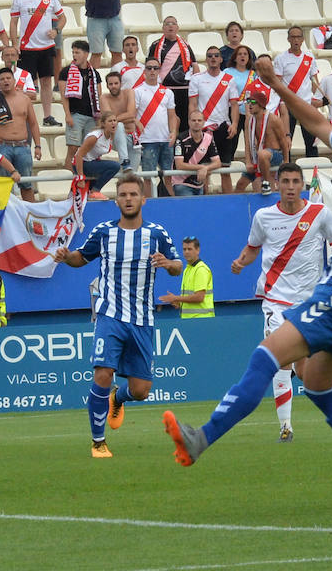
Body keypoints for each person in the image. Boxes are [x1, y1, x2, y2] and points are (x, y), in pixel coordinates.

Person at [161, 57, 332, 510]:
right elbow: (317, 121)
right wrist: (276, 84)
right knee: (319, 384)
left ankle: (202, 438)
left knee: (266, 356)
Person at [54, 172, 182, 458]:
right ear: (116, 200)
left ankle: (118, 397)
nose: (128, 199)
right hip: (110, 314)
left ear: (143, 199)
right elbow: (80, 258)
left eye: (133, 194)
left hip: (142, 319)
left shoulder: (156, 233)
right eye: (123, 194)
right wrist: (66, 256)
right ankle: (98, 442)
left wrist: (167, 263)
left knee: (141, 390)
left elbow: (177, 266)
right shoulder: (103, 232)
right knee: (102, 374)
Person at [230, 162, 332, 442]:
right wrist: (242, 261)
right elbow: (252, 248)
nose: (290, 187)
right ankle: (286, 427)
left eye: (295, 181)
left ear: (302, 185)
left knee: (305, 372)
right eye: (285, 181)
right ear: (277, 184)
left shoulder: (320, 213)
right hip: (275, 299)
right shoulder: (264, 217)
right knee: (281, 361)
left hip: (309, 303)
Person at [11, 0, 65, 128]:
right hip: (26, 47)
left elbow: (62, 18)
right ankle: (23, 115)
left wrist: (56, 31)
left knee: (46, 82)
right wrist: (15, 44)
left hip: (46, 47)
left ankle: (47, 116)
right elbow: (13, 23)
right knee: (23, 84)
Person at [0, 68, 43, 202]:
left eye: (8, 78)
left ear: (14, 80)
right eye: (2, 79)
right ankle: (5, 218)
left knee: (26, 185)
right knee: (3, 185)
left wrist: (38, 145)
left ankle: (29, 217)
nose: (6, 81)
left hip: (22, 146)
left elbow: (33, 124)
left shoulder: (25, 99)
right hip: (1, 147)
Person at [188, 45, 240, 194]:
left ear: (221, 59)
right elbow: (192, 104)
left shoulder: (229, 79)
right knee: (203, 169)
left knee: (225, 168)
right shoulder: (196, 79)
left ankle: (229, 201)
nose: (213, 58)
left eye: (216, 55)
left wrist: (235, 124)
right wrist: (193, 126)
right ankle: (204, 200)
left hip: (223, 127)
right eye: (210, 55)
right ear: (206, 59)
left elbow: (234, 105)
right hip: (203, 129)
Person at [273, 26, 320, 159]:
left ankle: (313, 170)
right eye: (293, 37)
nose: (296, 40)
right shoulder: (281, 58)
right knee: (286, 140)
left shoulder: (310, 57)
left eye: (298, 37)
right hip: (288, 105)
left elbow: (315, 81)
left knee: (311, 141)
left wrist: (316, 100)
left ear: (303, 39)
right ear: (288, 39)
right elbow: (277, 83)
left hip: (306, 104)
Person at [134, 57, 178, 198]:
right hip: (147, 140)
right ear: (145, 71)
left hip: (166, 139)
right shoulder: (137, 91)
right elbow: (132, 115)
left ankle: (170, 203)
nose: (152, 71)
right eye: (149, 68)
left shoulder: (168, 92)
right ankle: (149, 203)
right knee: (148, 177)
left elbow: (172, 116)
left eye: (155, 68)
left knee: (169, 176)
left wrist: (173, 132)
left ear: (159, 71)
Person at [58, 40, 103, 171]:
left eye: (77, 52)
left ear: (86, 54)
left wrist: (99, 117)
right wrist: (67, 115)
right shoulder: (66, 72)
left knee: (89, 149)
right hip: (75, 114)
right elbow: (64, 96)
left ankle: (84, 176)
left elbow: (98, 96)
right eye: (73, 52)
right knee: (72, 148)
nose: (74, 55)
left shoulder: (94, 73)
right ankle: (69, 177)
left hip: (91, 115)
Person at [149, 17, 197, 134]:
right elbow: (150, 65)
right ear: (163, 28)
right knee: (166, 123)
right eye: (167, 24)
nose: (170, 26)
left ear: (177, 27)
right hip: (164, 90)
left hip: (184, 91)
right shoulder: (156, 45)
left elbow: (194, 65)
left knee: (184, 123)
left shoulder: (186, 46)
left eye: (173, 24)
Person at [239, 88, 288, 194]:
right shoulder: (249, 120)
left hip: (274, 154)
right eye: (248, 102)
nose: (249, 105)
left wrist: (286, 161)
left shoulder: (273, 119)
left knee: (262, 154)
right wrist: (248, 161)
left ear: (261, 105)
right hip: (258, 156)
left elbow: (283, 141)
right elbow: (247, 143)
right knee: (240, 185)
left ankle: (266, 182)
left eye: (253, 102)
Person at [168, 110, 222, 196]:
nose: (196, 122)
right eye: (193, 120)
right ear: (189, 122)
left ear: (204, 122)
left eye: (199, 120)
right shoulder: (180, 139)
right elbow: (179, 165)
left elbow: (218, 162)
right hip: (181, 183)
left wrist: (206, 168)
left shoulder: (208, 138)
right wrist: (201, 167)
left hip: (198, 184)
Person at [159, 236, 215, 318]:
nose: (186, 252)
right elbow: (190, 297)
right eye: (184, 249)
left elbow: (199, 297)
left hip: (202, 320)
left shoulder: (201, 269)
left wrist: (176, 298)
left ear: (198, 250)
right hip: (190, 321)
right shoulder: (187, 269)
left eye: (190, 249)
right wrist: (179, 303)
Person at [83, 0, 128, 69]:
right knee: (96, 53)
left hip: (115, 16)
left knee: (117, 52)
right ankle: (93, 82)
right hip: (96, 18)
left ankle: (115, 81)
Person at [73, 111, 121, 200]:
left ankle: (91, 193)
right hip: (81, 164)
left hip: (91, 162)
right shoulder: (95, 137)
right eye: (110, 121)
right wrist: (80, 177)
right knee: (115, 166)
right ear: (103, 124)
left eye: (115, 120)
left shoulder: (110, 136)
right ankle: (95, 190)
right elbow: (79, 155)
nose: (113, 123)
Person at [101, 71, 137, 171]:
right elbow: (109, 120)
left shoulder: (129, 92)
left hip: (132, 137)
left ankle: (126, 165)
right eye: (110, 84)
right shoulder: (104, 97)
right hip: (114, 138)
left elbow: (131, 114)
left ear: (121, 83)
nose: (113, 86)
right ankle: (124, 160)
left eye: (116, 83)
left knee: (132, 174)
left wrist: (130, 117)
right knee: (119, 126)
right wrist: (129, 118)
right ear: (107, 86)